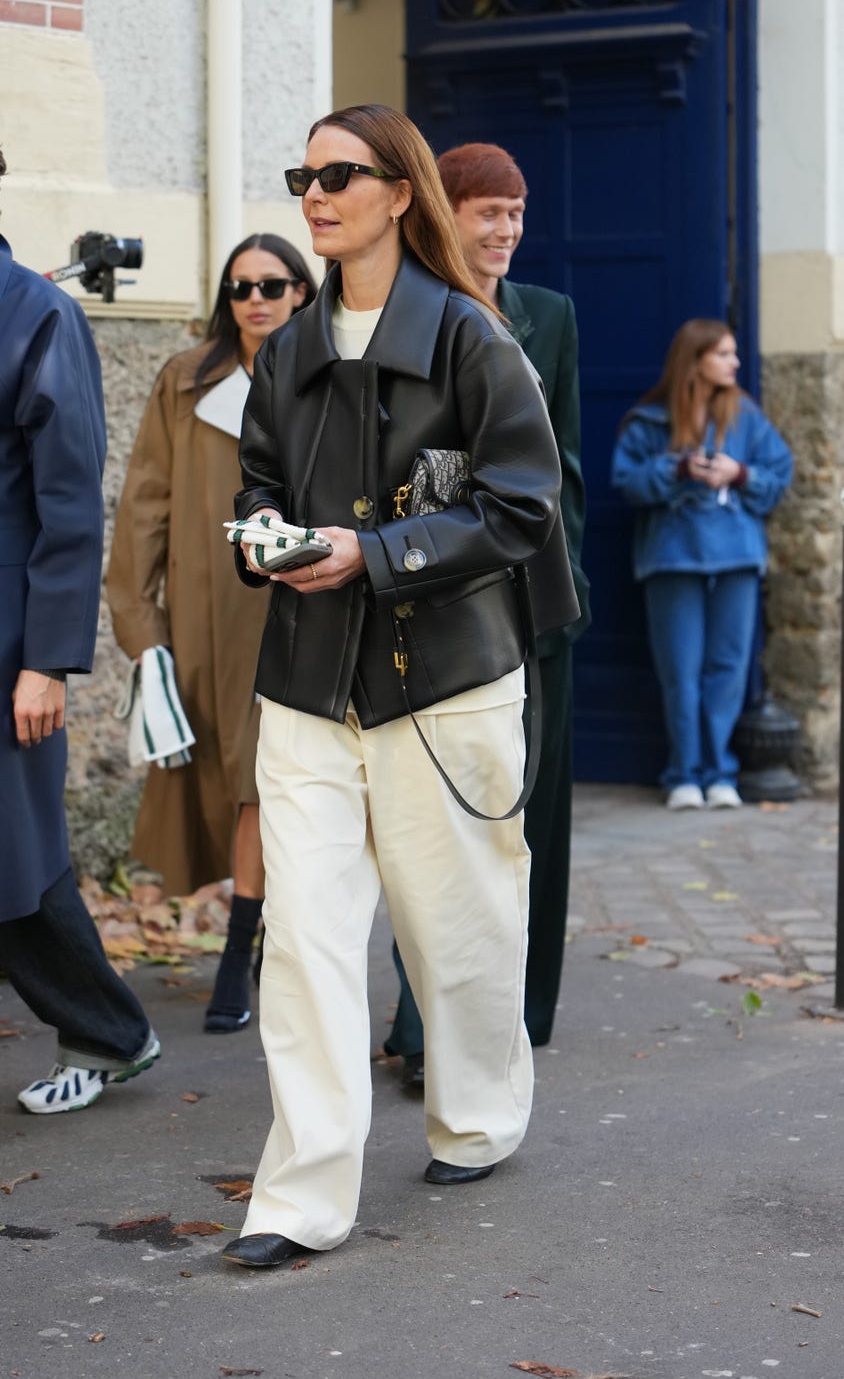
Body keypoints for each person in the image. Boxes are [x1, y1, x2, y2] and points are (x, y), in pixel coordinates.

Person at [220, 104, 579, 1270]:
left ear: (398, 192)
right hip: (309, 687)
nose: (314, 194)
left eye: (340, 174)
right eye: (303, 175)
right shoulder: (284, 350)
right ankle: (299, 1197)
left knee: (459, 935)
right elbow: (257, 483)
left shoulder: (478, 343)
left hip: (451, 682)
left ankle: (478, 1115)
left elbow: (522, 507)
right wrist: (260, 537)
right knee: (308, 941)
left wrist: (374, 555)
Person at [384, 142, 589, 1074]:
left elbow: (567, 470)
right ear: (445, 212)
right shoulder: (408, 311)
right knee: (434, 818)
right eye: (486, 212)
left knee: (529, 813)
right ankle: (425, 1026)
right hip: (438, 596)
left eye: (516, 211)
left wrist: (566, 583)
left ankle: (519, 1016)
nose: (505, 229)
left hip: (537, 601)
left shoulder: (549, 316)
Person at [106, 235, 316, 1032]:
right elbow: (144, 503)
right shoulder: (185, 380)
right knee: (232, 783)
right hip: (205, 610)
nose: (255, 299)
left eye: (271, 284)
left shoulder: (328, 373)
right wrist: (139, 620)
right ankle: (248, 941)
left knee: (269, 784)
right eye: (238, 287)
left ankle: (243, 948)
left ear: (301, 290)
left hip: (301, 601)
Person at [0, 145, 160, 1113]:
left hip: (9, 639)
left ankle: (111, 1034)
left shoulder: (37, 312)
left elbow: (68, 503)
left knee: (19, 853)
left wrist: (50, 662)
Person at [611, 319, 793, 810]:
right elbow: (627, 482)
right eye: (724, 354)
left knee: (728, 668)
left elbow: (779, 476)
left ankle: (720, 775)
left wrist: (739, 473)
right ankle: (683, 776)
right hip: (672, 559)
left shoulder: (747, 418)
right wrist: (678, 468)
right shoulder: (650, 421)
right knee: (680, 671)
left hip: (737, 557)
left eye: (734, 353)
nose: (735, 363)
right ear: (695, 361)